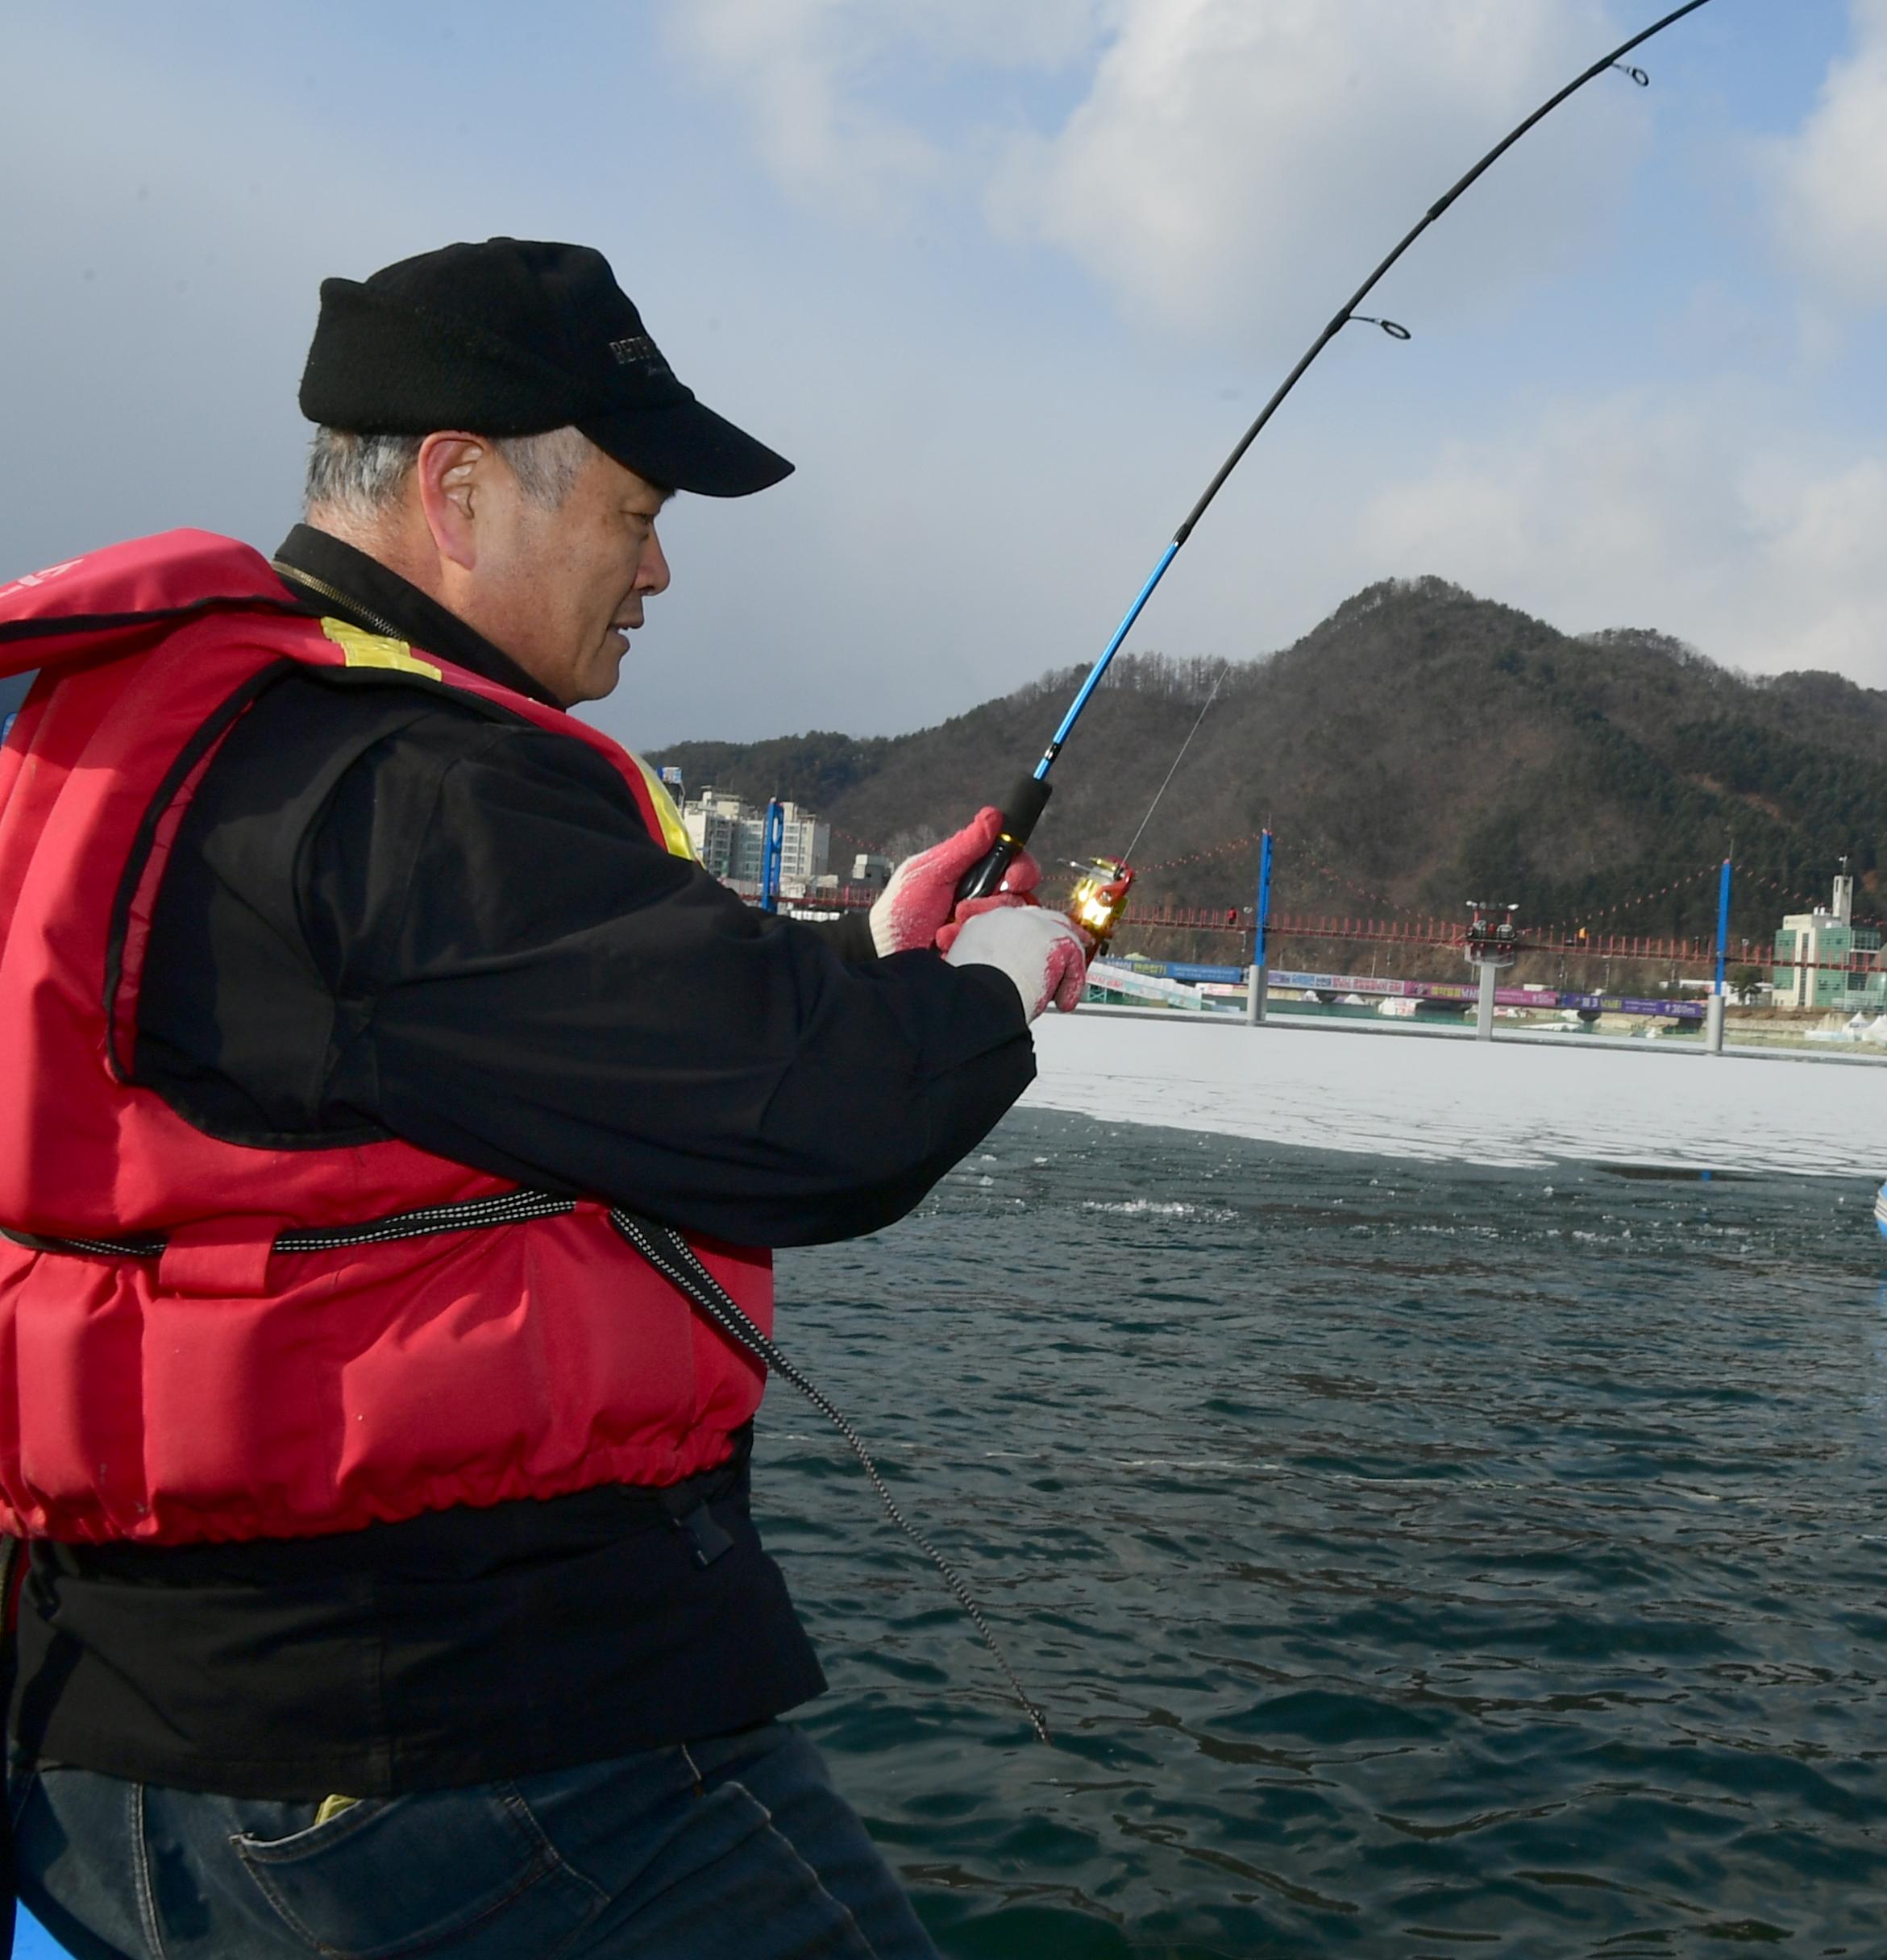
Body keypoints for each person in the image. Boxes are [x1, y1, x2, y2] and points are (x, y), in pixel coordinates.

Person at [0, 239, 1093, 1956]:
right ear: (457, 486)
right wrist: (998, 976)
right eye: (632, 510)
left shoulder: (171, 743)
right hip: (445, 1765)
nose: (658, 569)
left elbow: (565, 1045)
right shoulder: (405, 787)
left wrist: (883, 951)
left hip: (119, 1748)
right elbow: (825, 1115)